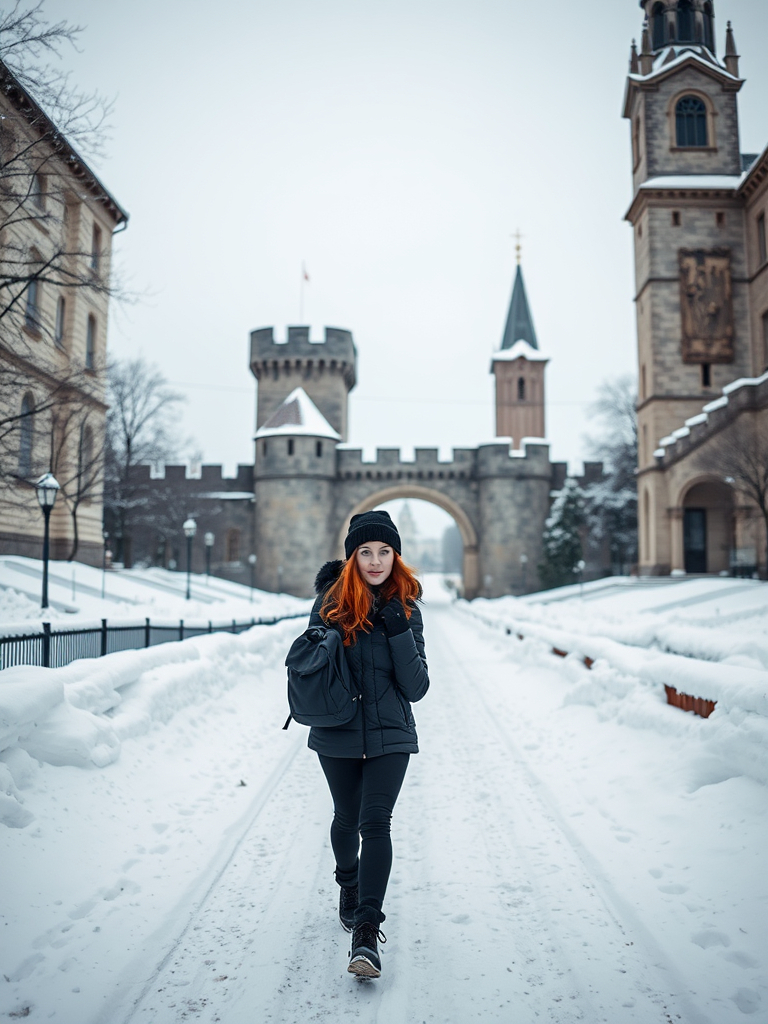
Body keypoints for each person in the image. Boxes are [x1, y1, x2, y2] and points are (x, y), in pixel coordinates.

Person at [307, 510, 429, 979]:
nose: (376, 561)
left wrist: (398, 628)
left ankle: (366, 932)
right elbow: (310, 666)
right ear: (351, 556)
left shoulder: (408, 607)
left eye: (384, 551)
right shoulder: (329, 603)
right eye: (365, 552)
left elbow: (416, 686)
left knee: (375, 823)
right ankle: (349, 883)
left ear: (396, 555)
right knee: (346, 818)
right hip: (337, 729)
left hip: (391, 732)